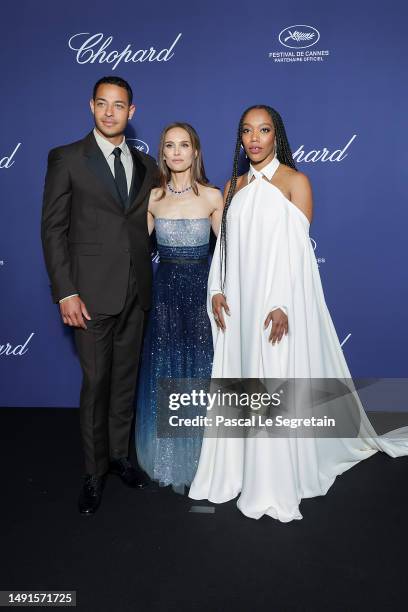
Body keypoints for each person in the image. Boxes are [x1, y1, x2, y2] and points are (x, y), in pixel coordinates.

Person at [189, 104, 408, 521]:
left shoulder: (296, 182)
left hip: (275, 305)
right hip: (238, 302)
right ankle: (234, 471)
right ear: (240, 138)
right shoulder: (232, 186)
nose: (255, 138)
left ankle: (270, 481)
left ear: (277, 136)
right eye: (247, 131)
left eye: (264, 130)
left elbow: (299, 255)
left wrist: (283, 304)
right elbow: (226, 247)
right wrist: (215, 289)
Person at [41, 76, 158, 515]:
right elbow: (52, 229)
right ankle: (93, 474)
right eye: (103, 104)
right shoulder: (67, 158)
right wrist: (65, 291)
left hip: (136, 291)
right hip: (88, 295)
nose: (111, 112)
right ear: (91, 106)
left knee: (125, 381)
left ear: (132, 111)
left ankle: (120, 458)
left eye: (120, 105)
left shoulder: (146, 164)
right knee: (96, 383)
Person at [135, 122, 223, 492]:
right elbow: (133, 251)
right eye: (169, 145)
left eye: (183, 145)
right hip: (166, 294)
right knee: (168, 369)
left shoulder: (213, 197)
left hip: (203, 292)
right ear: (162, 152)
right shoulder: (153, 199)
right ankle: (171, 455)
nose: (176, 152)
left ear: (195, 151)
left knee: (202, 370)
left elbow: (228, 254)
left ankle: (208, 457)